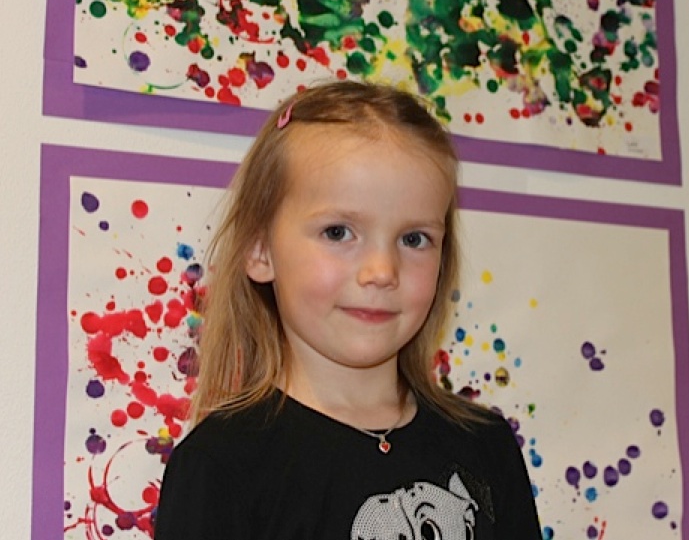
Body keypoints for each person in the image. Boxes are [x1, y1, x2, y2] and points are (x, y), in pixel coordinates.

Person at [154, 80, 543, 539]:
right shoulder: (220, 466)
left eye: (414, 239)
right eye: (338, 232)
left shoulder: (486, 445)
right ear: (260, 250)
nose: (382, 271)